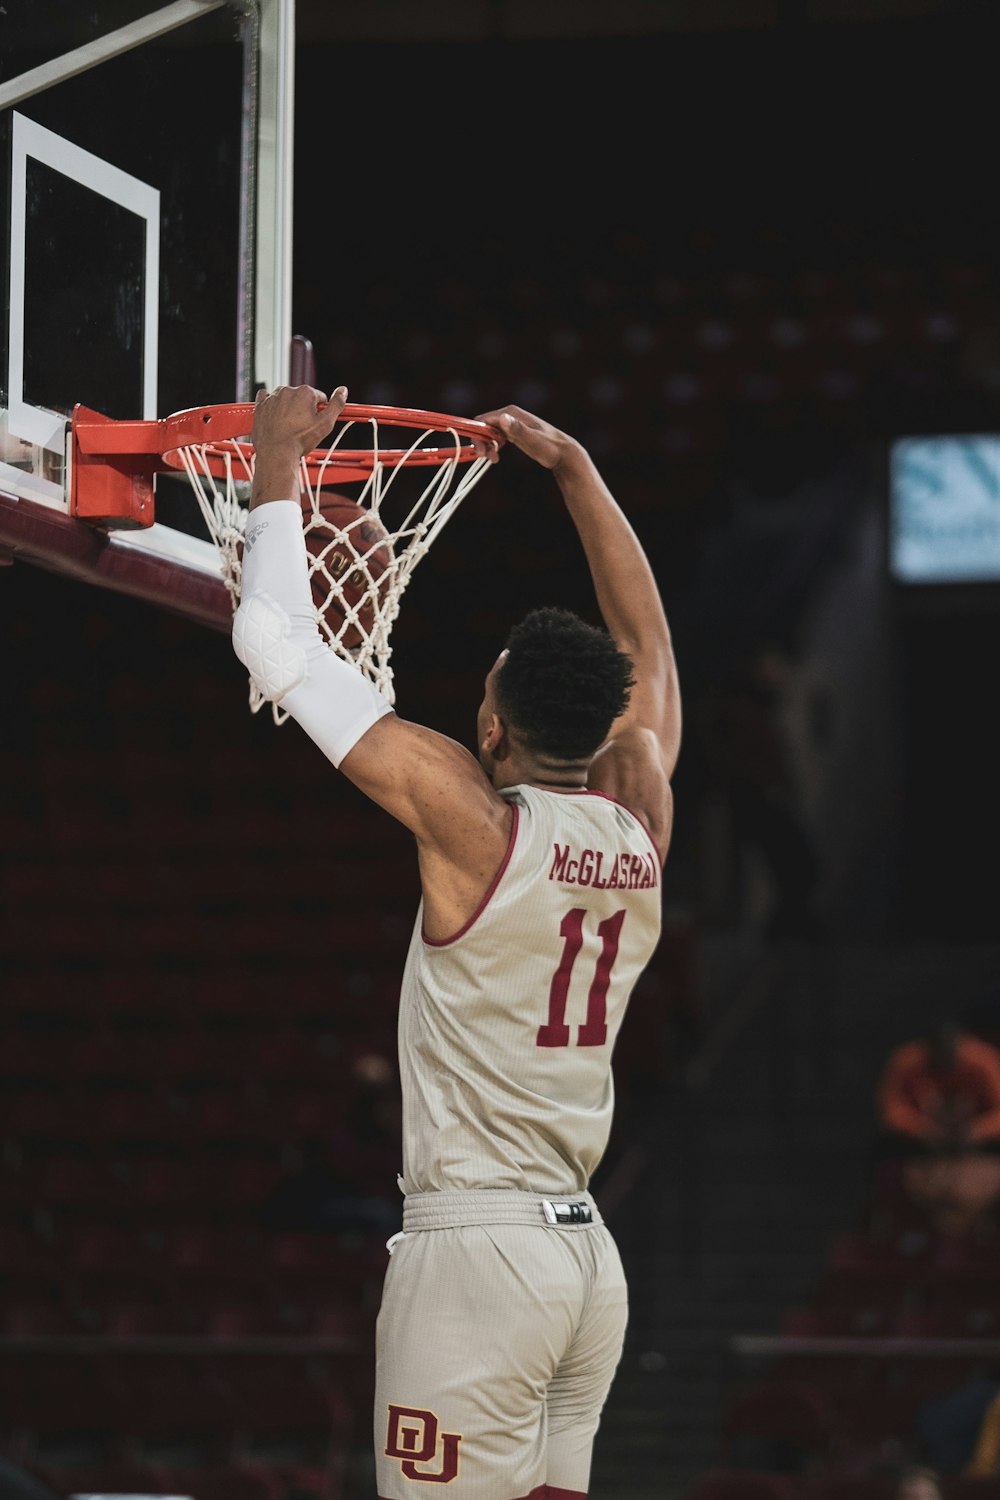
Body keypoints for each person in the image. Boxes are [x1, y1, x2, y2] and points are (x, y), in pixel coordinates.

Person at [232, 384, 680, 1500]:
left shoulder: (471, 824)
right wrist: (576, 471)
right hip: (585, 1260)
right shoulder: (639, 821)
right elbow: (648, 648)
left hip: (477, 1254)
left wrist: (275, 465)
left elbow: (272, 639)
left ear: (489, 726)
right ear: (603, 728)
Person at [876, 1020, 1000, 1237]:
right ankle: (884, 1228)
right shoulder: (907, 1060)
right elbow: (890, 1111)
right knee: (883, 1149)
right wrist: (923, 1129)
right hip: (922, 1144)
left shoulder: (980, 1059)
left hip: (975, 1142)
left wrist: (977, 1130)